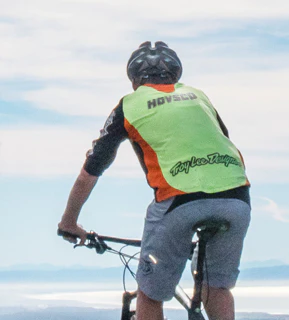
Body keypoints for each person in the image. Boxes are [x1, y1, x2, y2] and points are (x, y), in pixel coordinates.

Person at [58, 41, 251, 320]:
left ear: (135, 80)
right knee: (216, 287)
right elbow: (222, 138)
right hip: (236, 198)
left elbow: (91, 171)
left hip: (178, 200)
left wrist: (69, 223)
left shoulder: (130, 105)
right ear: (175, 74)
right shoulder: (198, 96)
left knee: (150, 295)